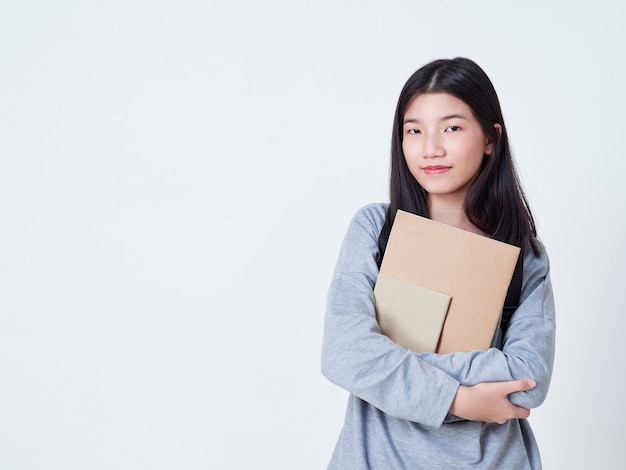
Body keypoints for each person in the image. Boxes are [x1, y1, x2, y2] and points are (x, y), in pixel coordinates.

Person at [321, 57, 556, 469]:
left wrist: (390, 358)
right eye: (414, 130)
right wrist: (460, 399)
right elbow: (344, 353)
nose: (431, 148)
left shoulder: (524, 256)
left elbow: (526, 381)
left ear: (490, 138)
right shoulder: (377, 229)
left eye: (451, 128)